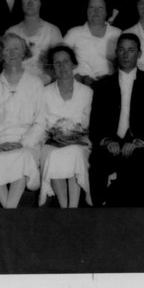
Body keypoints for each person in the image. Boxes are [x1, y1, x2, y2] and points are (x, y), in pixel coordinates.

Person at [88, 33, 144, 206]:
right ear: (116, 53)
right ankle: (98, 213)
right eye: (121, 50)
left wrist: (138, 142)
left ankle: (141, 216)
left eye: (131, 50)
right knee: (98, 162)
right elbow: (96, 123)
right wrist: (108, 141)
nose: (125, 54)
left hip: (140, 143)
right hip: (112, 142)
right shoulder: (103, 85)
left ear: (139, 54)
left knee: (141, 164)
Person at [0, 33, 46, 208]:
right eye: (7, 49)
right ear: (1, 54)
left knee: (23, 158)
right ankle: (11, 211)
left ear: (24, 53)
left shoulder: (35, 83)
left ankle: (9, 211)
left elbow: (40, 122)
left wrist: (22, 143)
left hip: (26, 141)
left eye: (16, 48)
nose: (12, 53)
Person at [39, 45, 94, 208]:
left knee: (74, 152)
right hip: (52, 142)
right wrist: (54, 136)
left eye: (66, 62)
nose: (62, 66)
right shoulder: (44, 92)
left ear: (74, 64)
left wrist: (75, 135)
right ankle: (64, 208)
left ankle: (73, 207)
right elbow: (41, 123)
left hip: (80, 141)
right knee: (53, 156)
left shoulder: (87, 92)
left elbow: (89, 123)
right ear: (52, 67)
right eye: (57, 63)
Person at [6, 0, 63, 84]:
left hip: (46, 85)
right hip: (17, 84)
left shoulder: (52, 31)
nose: (30, 3)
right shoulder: (11, 32)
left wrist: (41, 82)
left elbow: (59, 63)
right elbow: (6, 64)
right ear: (21, 1)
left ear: (41, 3)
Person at [63, 0, 122, 84]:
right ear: (86, 10)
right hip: (78, 85)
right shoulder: (73, 33)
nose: (96, 11)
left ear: (106, 12)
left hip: (109, 85)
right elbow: (59, 59)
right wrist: (80, 78)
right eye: (91, 7)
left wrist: (110, 79)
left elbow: (126, 65)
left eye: (100, 7)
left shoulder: (118, 34)